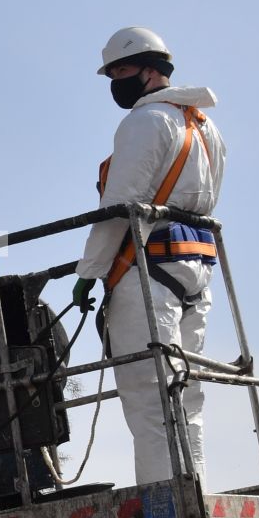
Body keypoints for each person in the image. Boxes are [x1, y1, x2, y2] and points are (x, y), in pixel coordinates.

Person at [72, 27, 226, 487]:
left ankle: (166, 499)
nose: (115, 82)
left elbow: (120, 205)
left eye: (120, 70)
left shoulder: (146, 121)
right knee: (186, 389)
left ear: (150, 69)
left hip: (148, 271)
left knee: (148, 391)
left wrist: (89, 272)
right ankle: (192, 485)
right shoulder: (203, 126)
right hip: (196, 269)